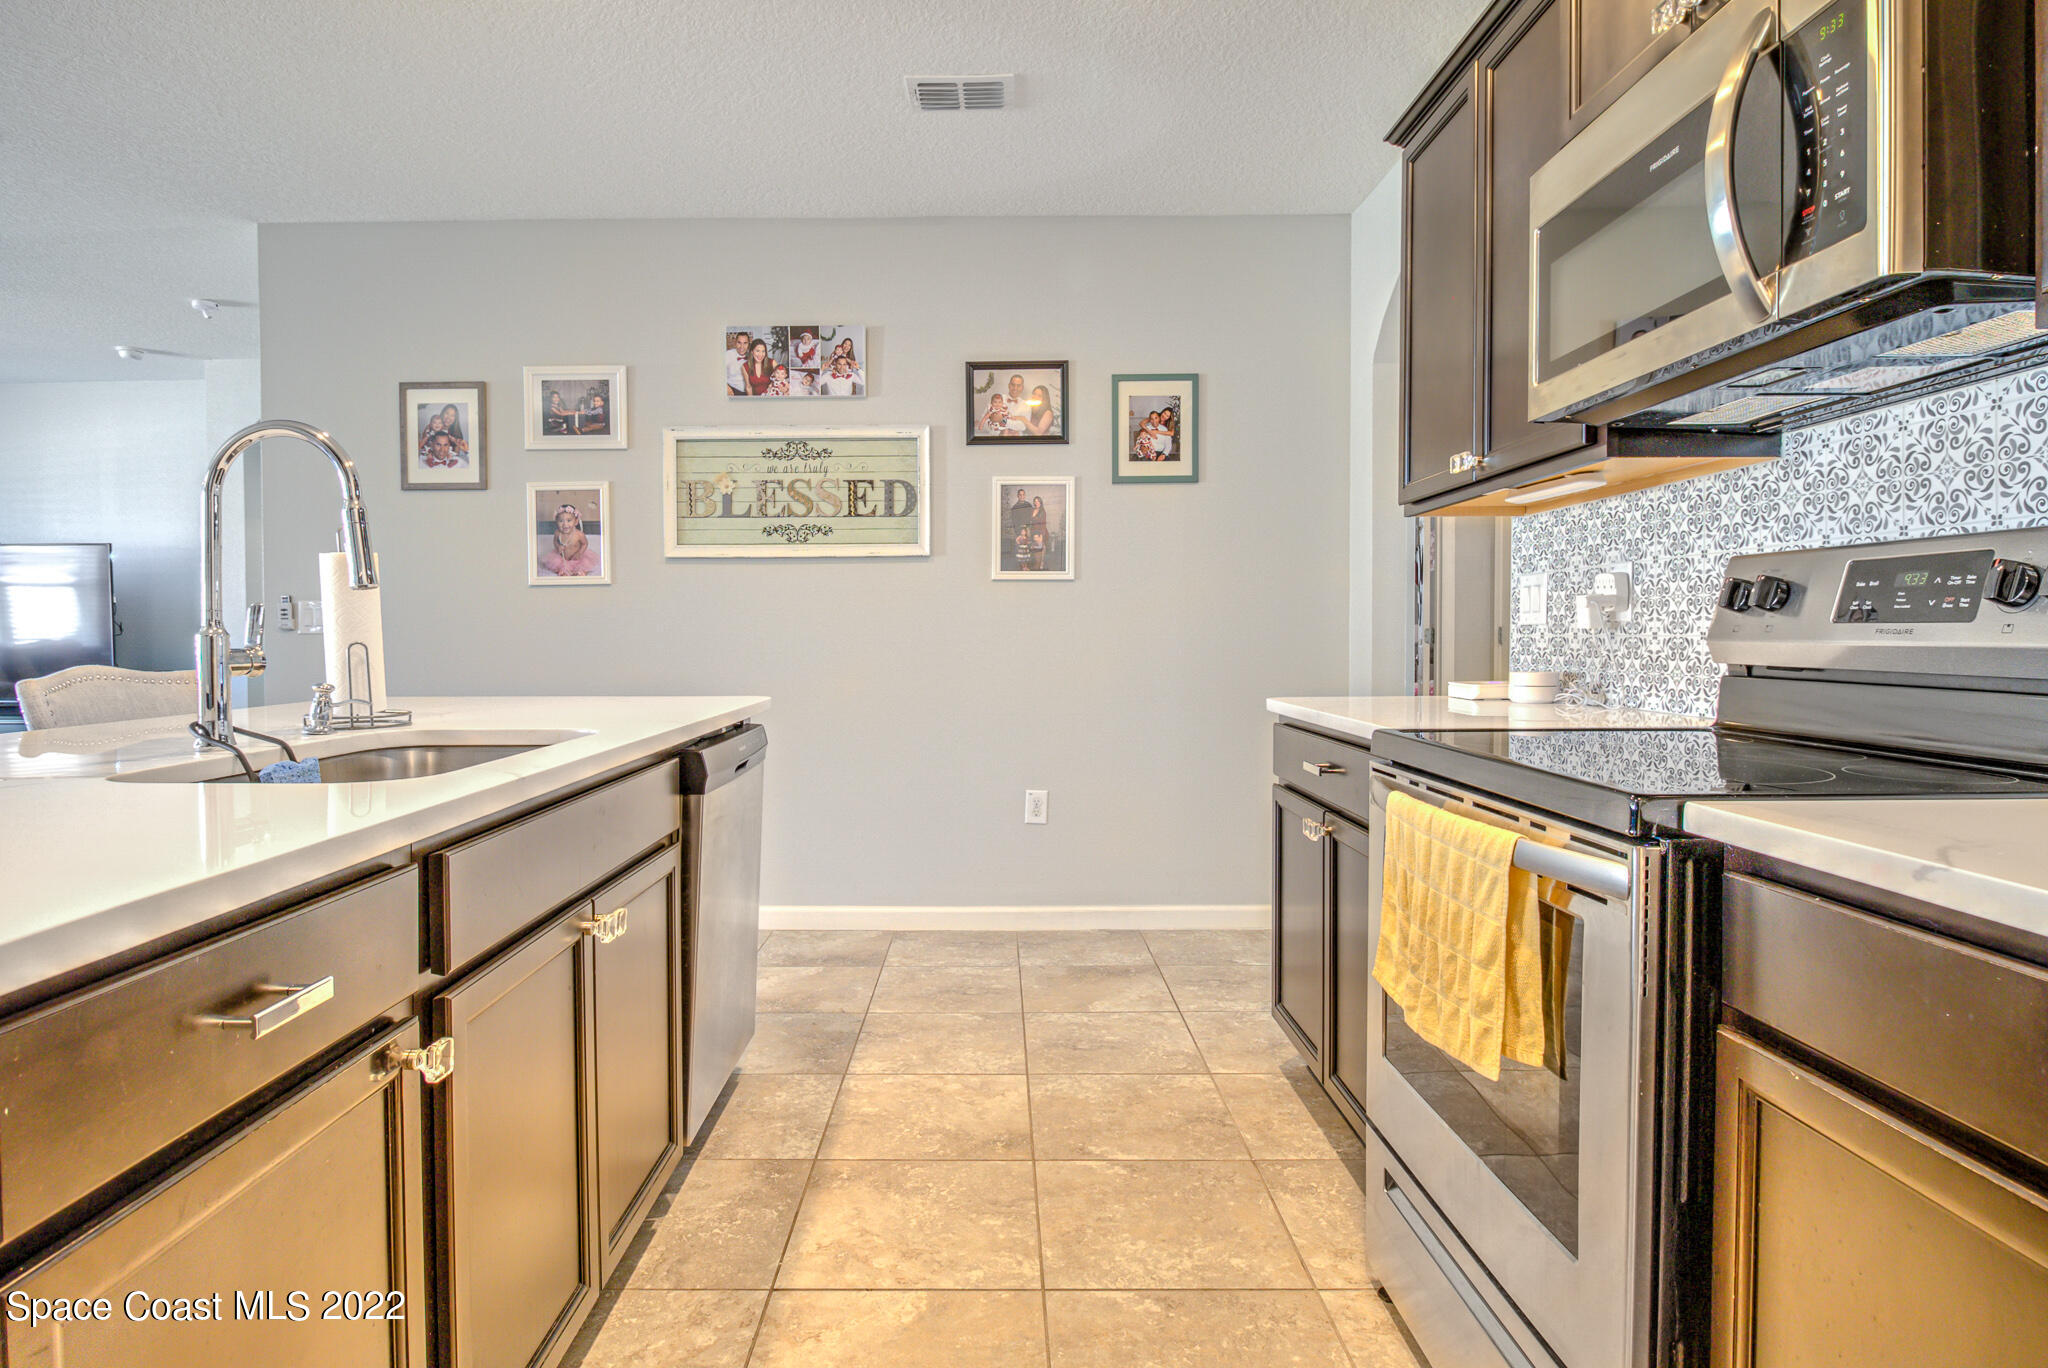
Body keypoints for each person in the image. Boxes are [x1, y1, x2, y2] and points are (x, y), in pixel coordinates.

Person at [539, 503, 601, 576]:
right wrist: (558, 547)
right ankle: (563, 571)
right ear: (556, 522)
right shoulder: (558, 533)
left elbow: (585, 544)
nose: (565, 524)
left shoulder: (579, 534)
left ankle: (580, 572)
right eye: (561, 521)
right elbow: (555, 541)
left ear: (576, 522)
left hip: (577, 558)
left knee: (582, 567)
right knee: (558, 566)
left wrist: (579, 553)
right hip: (563, 558)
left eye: (569, 520)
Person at [1029, 496, 1050, 570]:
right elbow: (1030, 521)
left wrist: (1041, 535)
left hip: (1041, 531)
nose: (1036, 502)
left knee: (1042, 546)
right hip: (1033, 531)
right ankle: (1037, 561)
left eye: (1038, 501)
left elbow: (1043, 524)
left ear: (1040, 502)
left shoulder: (1043, 511)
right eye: (1035, 501)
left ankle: (1042, 562)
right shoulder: (1032, 510)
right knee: (1035, 547)